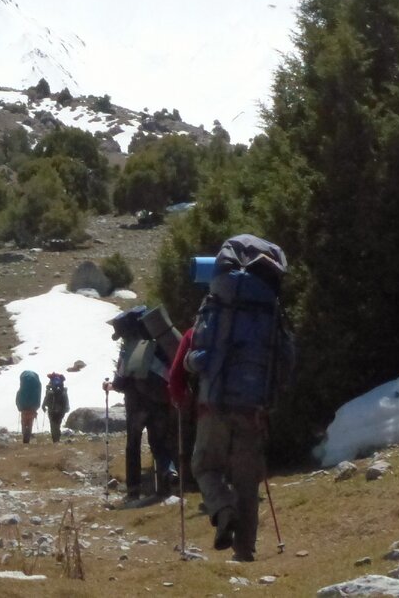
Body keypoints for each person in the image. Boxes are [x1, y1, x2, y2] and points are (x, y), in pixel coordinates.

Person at [171, 235, 293, 563]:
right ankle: (245, 552)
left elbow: (196, 356)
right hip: (253, 407)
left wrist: (188, 364)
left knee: (204, 465)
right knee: (247, 481)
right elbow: (286, 357)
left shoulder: (217, 303)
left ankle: (223, 512)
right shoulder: (270, 308)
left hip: (214, 403)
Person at [104, 307, 177, 501]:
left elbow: (120, 381)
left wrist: (110, 386)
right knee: (159, 444)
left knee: (133, 445)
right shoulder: (157, 344)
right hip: (161, 402)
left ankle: (133, 491)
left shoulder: (129, 348)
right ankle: (168, 478)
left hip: (136, 406)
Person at [42, 372, 70, 443]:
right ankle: (57, 438)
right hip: (61, 410)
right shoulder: (62, 389)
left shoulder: (50, 389)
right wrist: (66, 407)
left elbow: (46, 397)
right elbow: (66, 398)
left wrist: (44, 405)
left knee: (53, 424)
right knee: (58, 423)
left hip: (51, 409)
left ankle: (55, 439)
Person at [16, 370, 42, 444]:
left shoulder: (23, 388)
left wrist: (19, 407)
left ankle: (25, 438)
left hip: (24, 408)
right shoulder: (36, 386)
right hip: (32, 408)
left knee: (24, 423)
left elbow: (18, 398)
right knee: (30, 423)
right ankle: (27, 438)